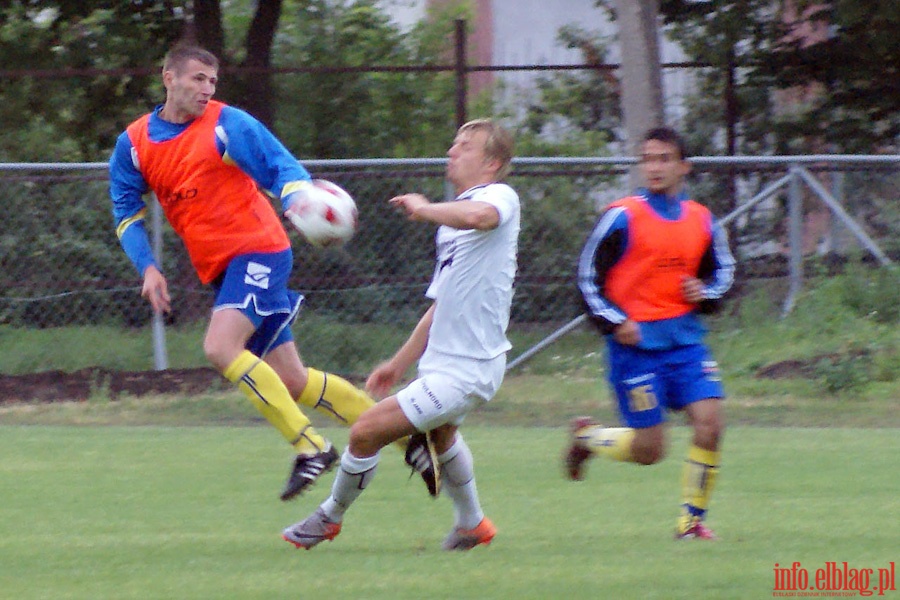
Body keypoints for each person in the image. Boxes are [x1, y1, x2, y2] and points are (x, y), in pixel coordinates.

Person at [108, 44, 434, 502]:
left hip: (259, 251)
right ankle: (407, 436)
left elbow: (281, 166)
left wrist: (300, 198)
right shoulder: (135, 144)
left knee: (220, 347)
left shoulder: (227, 124)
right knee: (293, 380)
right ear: (168, 77)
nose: (207, 89)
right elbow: (126, 212)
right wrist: (148, 267)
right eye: (198, 79)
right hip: (222, 268)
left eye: (212, 81)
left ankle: (311, 447)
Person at [282, 118, 519, 551]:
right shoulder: (451, 225)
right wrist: (397, 363)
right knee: (443, 437)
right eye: (454, 143)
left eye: (464, 146)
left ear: (491, 163)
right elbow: (439, 306)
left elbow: (480, 216)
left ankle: (328, 518)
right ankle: (472, 525)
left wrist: (423, 208)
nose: (452, 150)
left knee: (366, 431)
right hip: (447, 363)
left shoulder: (498, 196)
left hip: (469, 368)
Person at [565, 126, 736, 540]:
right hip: (637, 348)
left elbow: (726, 273)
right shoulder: (622, 216)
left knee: (710, 424)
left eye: (663, 159)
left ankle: (690, 522)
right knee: (650, 451)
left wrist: (705, 291)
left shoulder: (701, 219)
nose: (654, 167)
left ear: (683, 167)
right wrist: (613, 321)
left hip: (686, 344)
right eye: (648, 159)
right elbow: (587, 277)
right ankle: (587, 438)